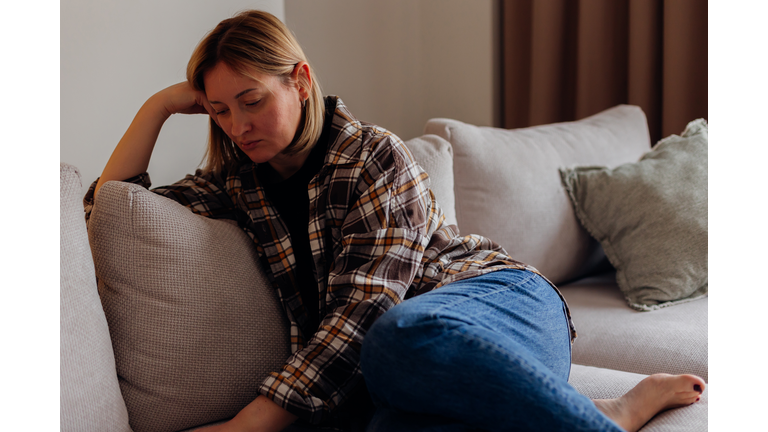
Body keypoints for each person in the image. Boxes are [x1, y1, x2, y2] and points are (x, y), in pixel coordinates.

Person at [86, 10, 705, 432]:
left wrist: (253, 421)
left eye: (252, 100)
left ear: (300, 81)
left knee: (397, 337)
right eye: (218, 111)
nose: (238, 125)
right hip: (411, 369)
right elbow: (110, 207)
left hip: (497, 305)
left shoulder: (374, 154)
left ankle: (609, 419)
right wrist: (160, 105)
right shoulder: (237, 184)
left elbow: (366, 310)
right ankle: (563, 409)